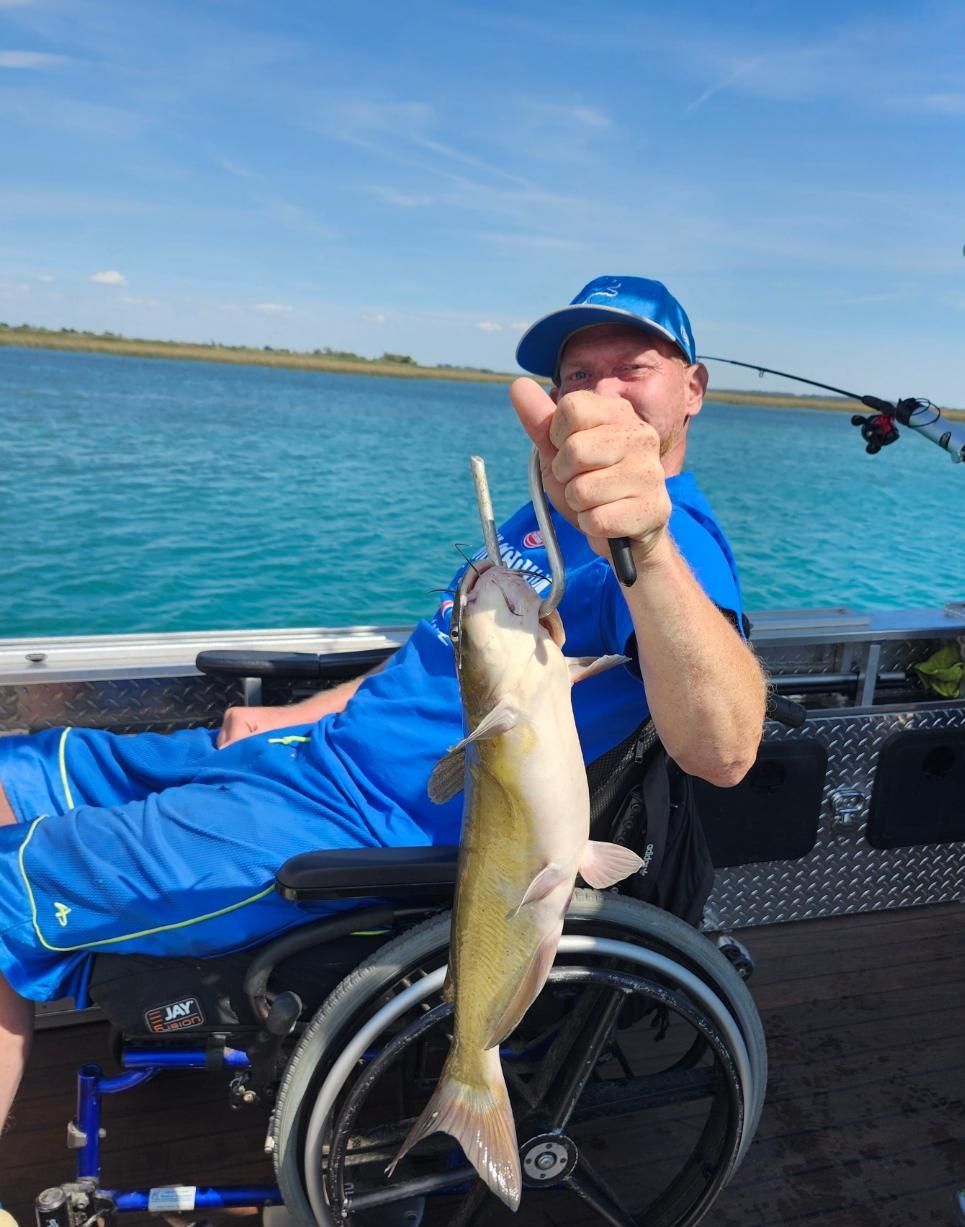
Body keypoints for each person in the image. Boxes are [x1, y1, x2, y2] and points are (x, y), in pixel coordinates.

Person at [0, 275, 766, 1133]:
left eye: (633, 368)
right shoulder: (535, 517)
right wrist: (297, 716)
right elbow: (426, 669)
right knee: (13, 769)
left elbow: (726, 749)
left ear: (692, 389)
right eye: (578, 374)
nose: (599, 392)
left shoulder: (666, 542)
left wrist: (646, 542)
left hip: (366, 830)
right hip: (309, 756)